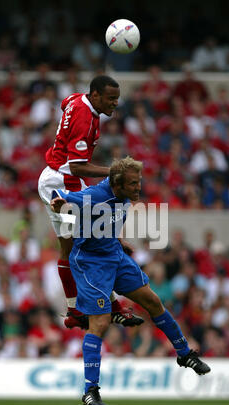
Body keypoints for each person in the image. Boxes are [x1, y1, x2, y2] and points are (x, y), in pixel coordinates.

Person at [50, 156, 211, 405]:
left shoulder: (121, 195)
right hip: (91, 263)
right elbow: (59, 194)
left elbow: (109, 218)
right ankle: (90, 389)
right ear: (118, 184)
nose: (138, 188)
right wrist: (59, 202)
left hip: (114, 255)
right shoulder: (94, 195)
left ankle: (185, 354)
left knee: (153, 301)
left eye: (139, 182)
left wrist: (118, 240)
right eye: (134, 184)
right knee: (100, 323)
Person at [38, 75, 143, 331]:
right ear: (95, 95)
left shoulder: (76, 100)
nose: (115, 103)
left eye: (117, 98)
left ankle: (76, 311)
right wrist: (113, 171)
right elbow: (76, 166)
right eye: (110, 98)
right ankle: (109, 307)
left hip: (59, 179)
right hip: (62, 183)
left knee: (77, 245)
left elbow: (65, 104)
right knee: (89, 244)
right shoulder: (86, 119)